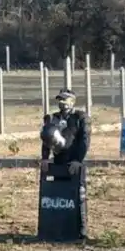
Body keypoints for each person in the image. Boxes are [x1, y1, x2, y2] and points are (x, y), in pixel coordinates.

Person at [40, 89, 91, 239]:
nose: (61, 102)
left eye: (65, 99)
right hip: (58, 161)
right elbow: (45, 139)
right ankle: (58, 227)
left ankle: (82, 231)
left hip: (74, 161)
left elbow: (84, 140)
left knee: (78, 194)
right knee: (58, 195)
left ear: (72, 101)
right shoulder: (53, 118)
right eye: (59, 99)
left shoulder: (80, 117)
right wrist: (44, 158)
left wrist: (78, 160)